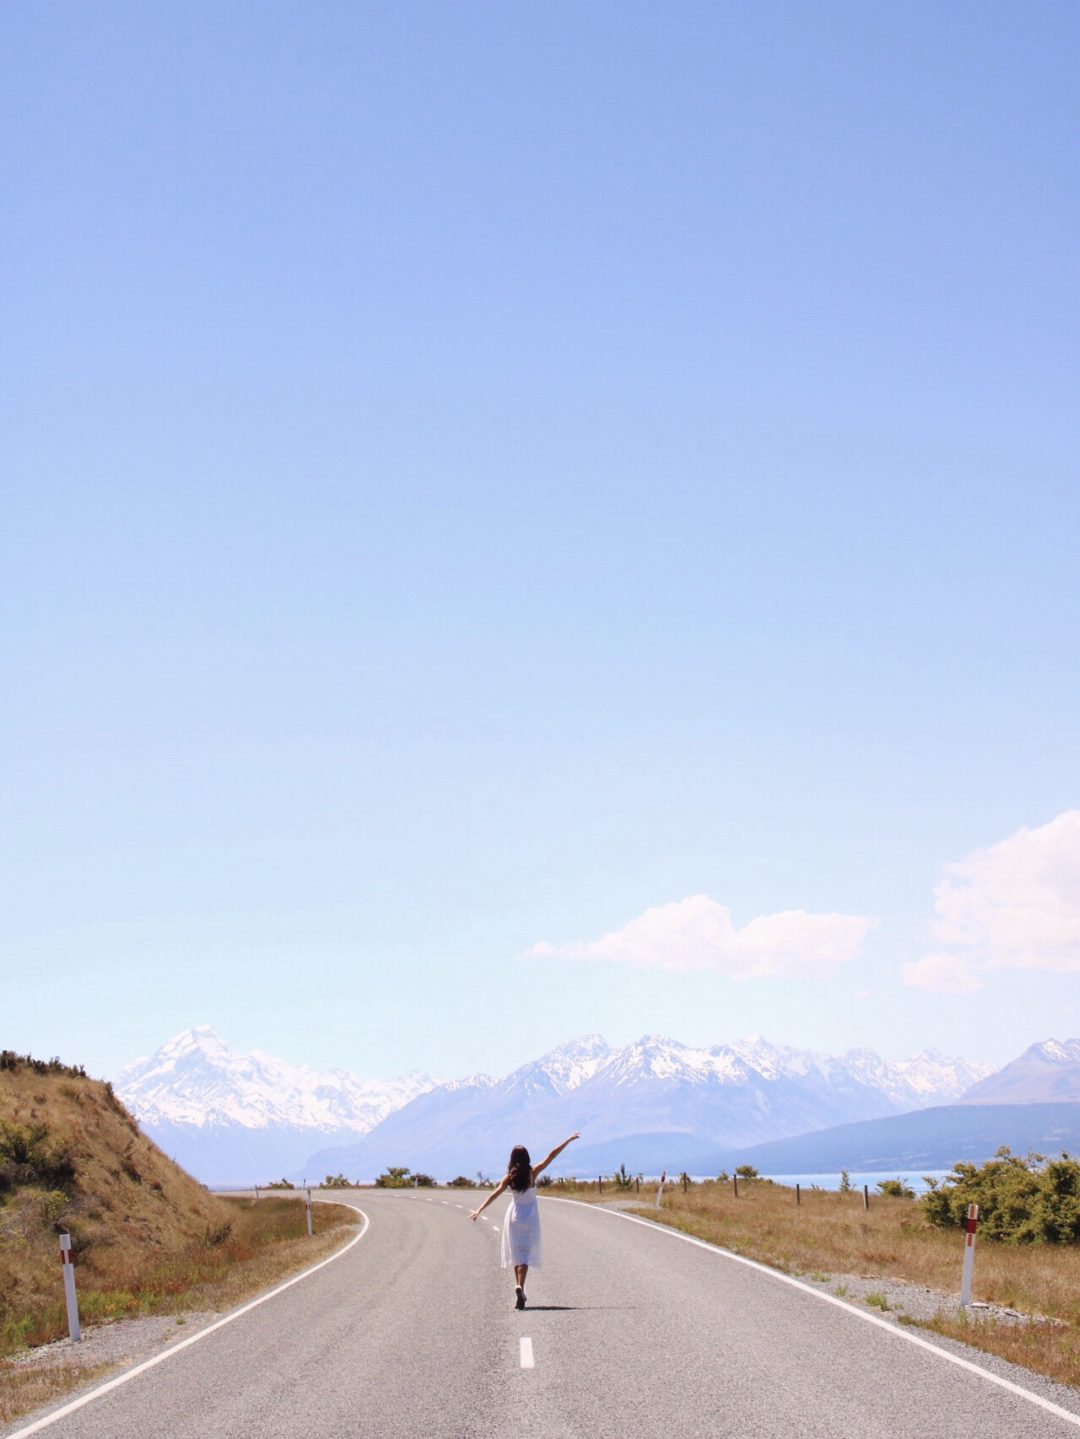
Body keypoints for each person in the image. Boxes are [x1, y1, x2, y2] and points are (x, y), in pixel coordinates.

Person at [469, 1133, 580, 1308]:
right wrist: (568, 1140)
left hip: (513, 1217)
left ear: (512, 1159)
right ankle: (521, 1285)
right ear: (527, 1158)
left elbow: (495, 1194)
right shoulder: (532, 1173)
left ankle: (519, 1286)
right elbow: (551, 1155)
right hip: (529, 1218)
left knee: (516, 1254)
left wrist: (479, 1209)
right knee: (525, 1255)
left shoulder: (509, 1177)